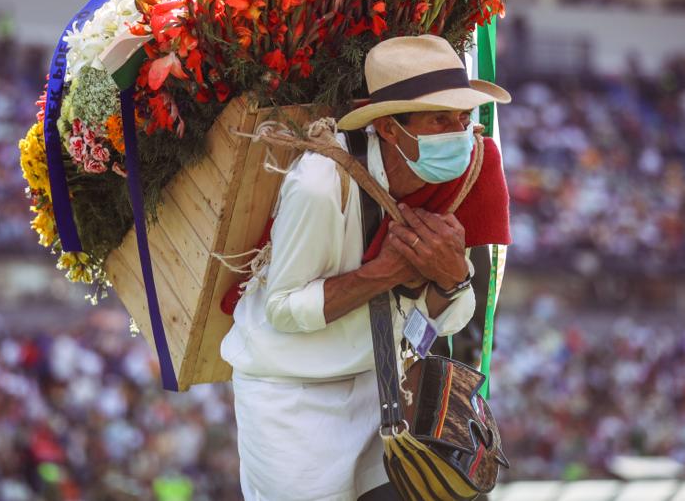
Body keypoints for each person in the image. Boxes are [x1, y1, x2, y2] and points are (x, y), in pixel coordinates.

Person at [220, 34, 513, 501]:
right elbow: (282, 308)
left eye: (464, 117)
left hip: (382, 388)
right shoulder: (321, 182)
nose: (461, 133)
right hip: (291, 402)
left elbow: (449, 316)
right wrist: (388, 271)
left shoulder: (464, 177)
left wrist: (452, 275)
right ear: (391, 129)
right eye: (441, 119)